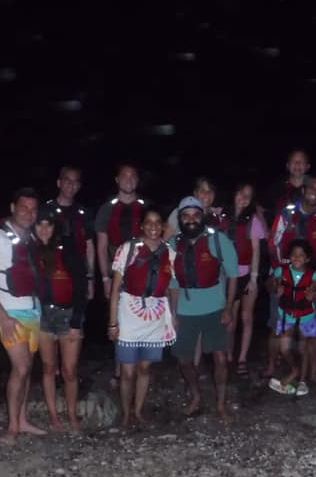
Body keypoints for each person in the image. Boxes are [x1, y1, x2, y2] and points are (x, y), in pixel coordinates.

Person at [0, 188, 47, 444]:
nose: (29, 213)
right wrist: (3, 318)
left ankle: (23, 419)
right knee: (21, 366)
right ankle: (12, 427)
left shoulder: (30, 237)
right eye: (23, 208)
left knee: (27, 368)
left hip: (32, 308)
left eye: (33, 209)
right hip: (9, 311)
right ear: (12, 207)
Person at [169, 197, 240, 421]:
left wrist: (228, 307)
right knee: (184, 360)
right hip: (185, 309)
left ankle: (220, 404)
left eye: (195, 215)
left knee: (221, 358)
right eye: (186, 216)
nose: (191, 220)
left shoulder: (218, 240)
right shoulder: (173, 244)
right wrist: (173, 315)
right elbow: (173, 283)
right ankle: (196, 395)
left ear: (203, 216)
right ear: (180, 219)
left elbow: (233, 275)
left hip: (215, 307)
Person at [108, 208, 177, 428]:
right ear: (142, 225)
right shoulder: (128, 249)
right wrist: (112, 323)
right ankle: (125, 413)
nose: (153, 227)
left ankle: (138, 411)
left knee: (145, 368)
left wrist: (174, 316)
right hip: (129, 311)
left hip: (156, 315)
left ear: (163, 226)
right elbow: (115, 289)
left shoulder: (170, 253)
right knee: (127, 371)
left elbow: (172, 288)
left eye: (158, 222)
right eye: (149, 222)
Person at [266, 176, 316, 380]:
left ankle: (312, 371)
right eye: (311, 187)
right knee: (277, 327)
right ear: (304, 190)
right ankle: (271, 366)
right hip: (283, 276)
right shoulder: (287, 213)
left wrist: (315, 283)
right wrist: (280, 275)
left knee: (311, 332)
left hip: (312, 281)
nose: (315, 191)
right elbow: (273, 244)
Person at [34, 206, 88, 431]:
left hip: (68, 314)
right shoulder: (30, 249)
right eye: (39, 224)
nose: (44, 229)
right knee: (48, 367)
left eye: (48, 224)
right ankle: (54, 416)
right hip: (42, 315)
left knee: (69, 370)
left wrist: (77, 320)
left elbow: (81, 285)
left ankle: (72, 415)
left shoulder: (68, 247)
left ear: (55, 226)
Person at [268, 240, 316, 396]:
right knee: (284, 348)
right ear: (289, 256)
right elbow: (268, 284)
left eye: (301, 255)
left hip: (306, 316)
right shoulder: (281, 271)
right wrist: (275, 287)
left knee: (303, 348)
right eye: (294, 255)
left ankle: (302, 381)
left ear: (307, 258)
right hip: (286, 315)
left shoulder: (315, 274)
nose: (297, 258)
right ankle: (295, 370)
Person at [219, 183, 265, 373]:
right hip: (225, 274)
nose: (243, 198)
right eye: (241, 193)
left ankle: (242, 358)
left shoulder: (252, 220)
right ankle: (228, 354)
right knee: (230, 319)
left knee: (247, 316)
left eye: (248, 195)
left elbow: (255, 250)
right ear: (234, 193)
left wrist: (254, 278)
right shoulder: (221, 215)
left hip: (246, 274)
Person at [96, 164, 147, 298]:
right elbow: (102, 248)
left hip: (143, 270)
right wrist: (105, 279)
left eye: (133, 176)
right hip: (116, 271)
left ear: (137, 180)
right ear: (117, 180)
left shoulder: (147, 207)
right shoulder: (106, 209)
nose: (129, 180)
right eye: (124, 176)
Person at [46, 166, 96, 300]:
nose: (71, 185)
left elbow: (89, 247)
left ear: (79, 186)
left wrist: (90, 279)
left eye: (75, 182)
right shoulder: (46, 210)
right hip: (52, 275)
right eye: (67, 180)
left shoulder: (83, 213)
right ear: (59, 183)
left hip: (78, 275)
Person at [269, 149, 310, 217]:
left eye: (302, 161)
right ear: (287, 165)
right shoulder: (276, 187)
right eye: (293, 161)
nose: (297, 164)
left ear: (307, 166)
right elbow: (260, 208)